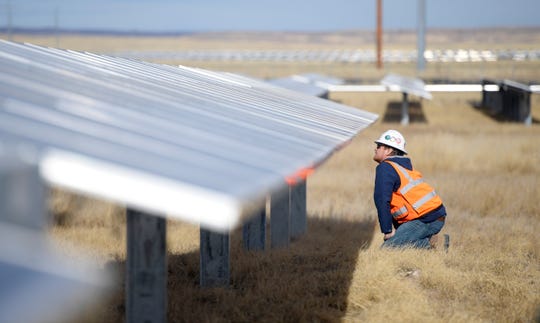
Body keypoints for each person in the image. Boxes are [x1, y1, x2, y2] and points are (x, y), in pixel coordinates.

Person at [372, 129, 448, 249]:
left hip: (425, 219)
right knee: (397, 244)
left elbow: (382, 200)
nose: (375, 148)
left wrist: (387, 231)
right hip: (434, 216)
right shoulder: (402, 166)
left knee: (387, 250)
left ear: (389, 150)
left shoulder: (385, 167)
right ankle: (430, 240)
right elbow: (399, 203)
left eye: (379, 146)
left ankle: (436, 244)